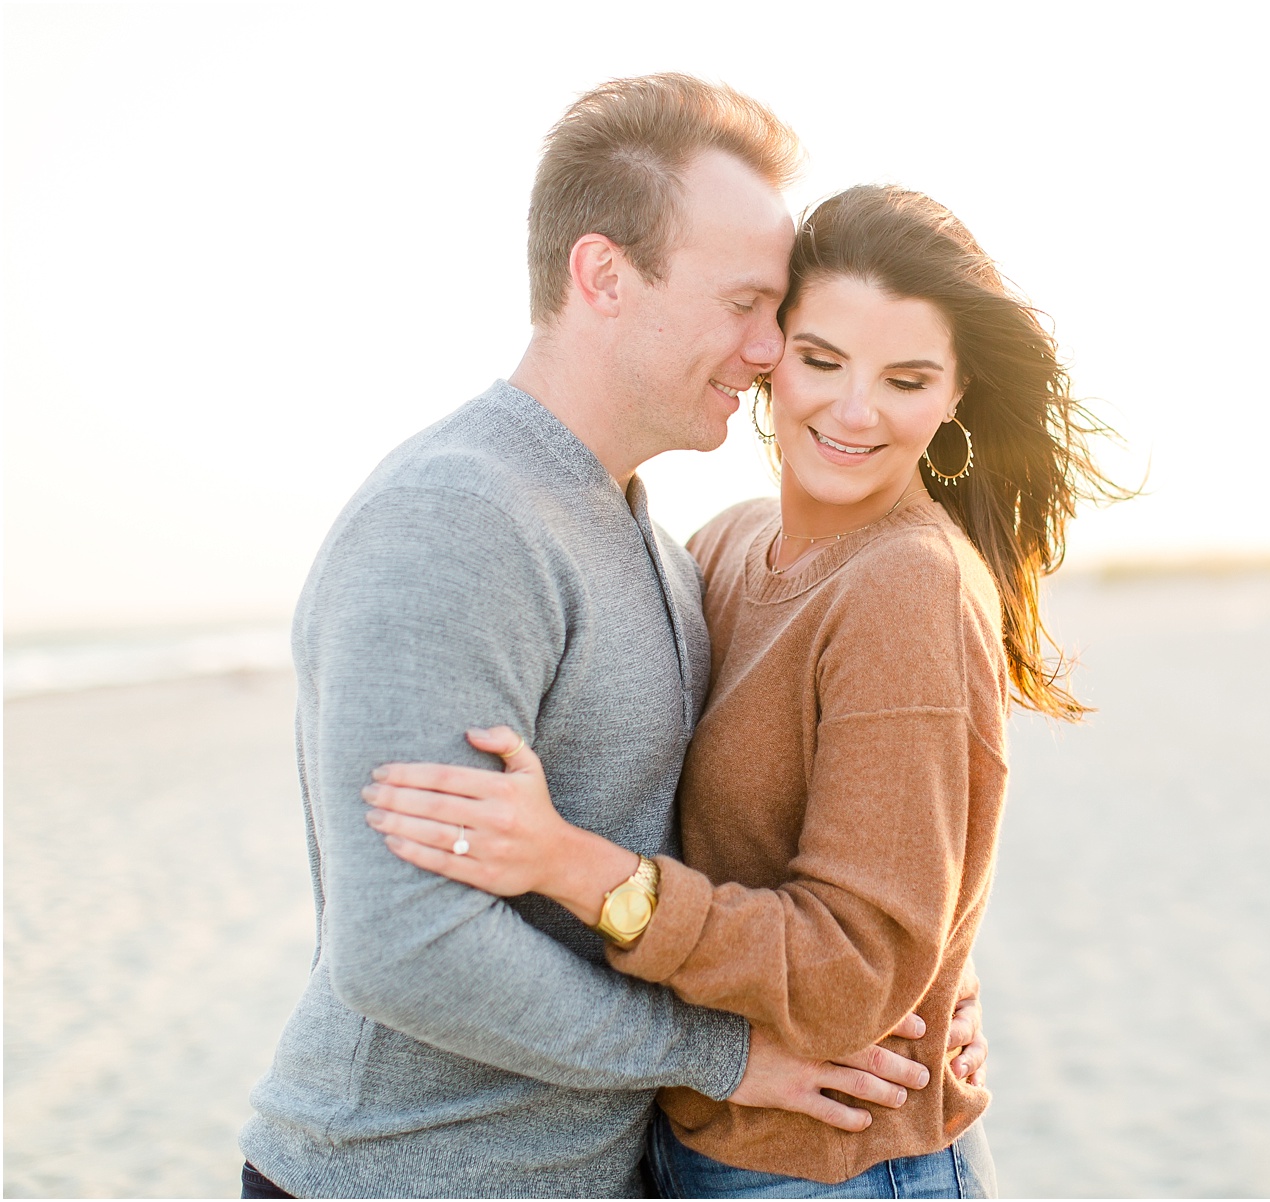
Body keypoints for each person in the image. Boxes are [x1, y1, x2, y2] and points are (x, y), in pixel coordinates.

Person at [238, 77, 983, 1200]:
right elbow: (403, 945)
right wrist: (723, 1053)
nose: (771, 347)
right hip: (395, 1174)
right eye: (744, 302)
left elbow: (776, 824)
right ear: (603, 277)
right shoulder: (458, 519)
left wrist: (924, 974)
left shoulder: (656, 537)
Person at [361, 184, 1128, 1197]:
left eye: (905, 378)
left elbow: (854, 966)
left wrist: (570, 862)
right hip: (701, 1148)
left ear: (955, 394)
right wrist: (935, 965)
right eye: (821, 360)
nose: (853, 411)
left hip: (839, 1166)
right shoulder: (725, 545)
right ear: (770, 354)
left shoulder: (911, 582)